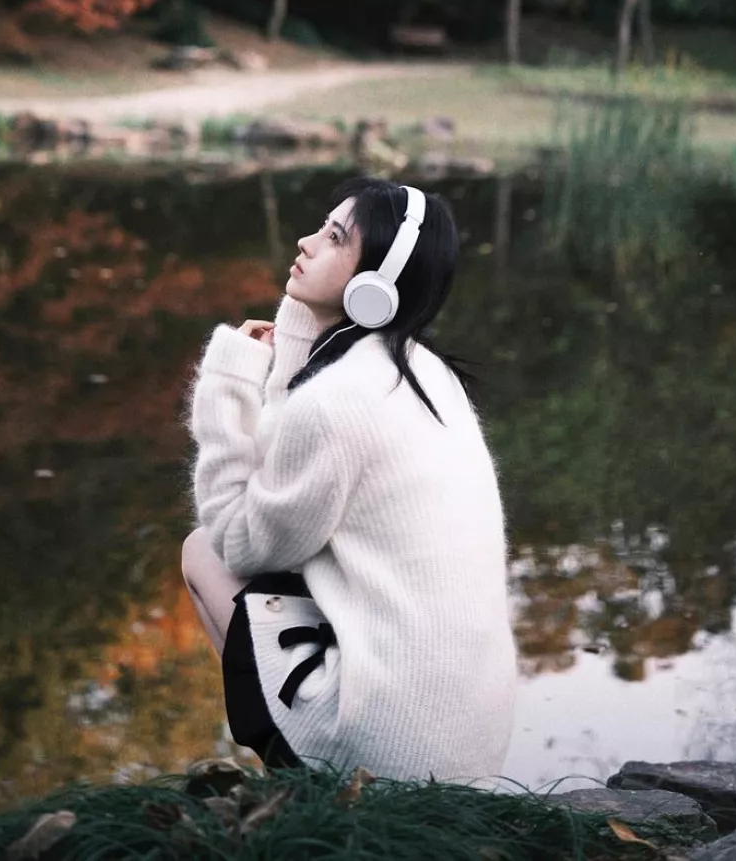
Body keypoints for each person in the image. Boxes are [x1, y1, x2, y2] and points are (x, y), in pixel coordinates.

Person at [182, 174, 518, 782]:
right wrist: (291, 345)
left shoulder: (337, 400)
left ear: (373, 285)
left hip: (386, 750)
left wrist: (228, 384)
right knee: (283, 572)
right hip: (465, 747)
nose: (307, 242)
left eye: (334, 237)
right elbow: (286, 478)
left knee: (203, 550)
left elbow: (242, 541)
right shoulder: (424, 370)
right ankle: (297, 747)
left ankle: (311, 774)